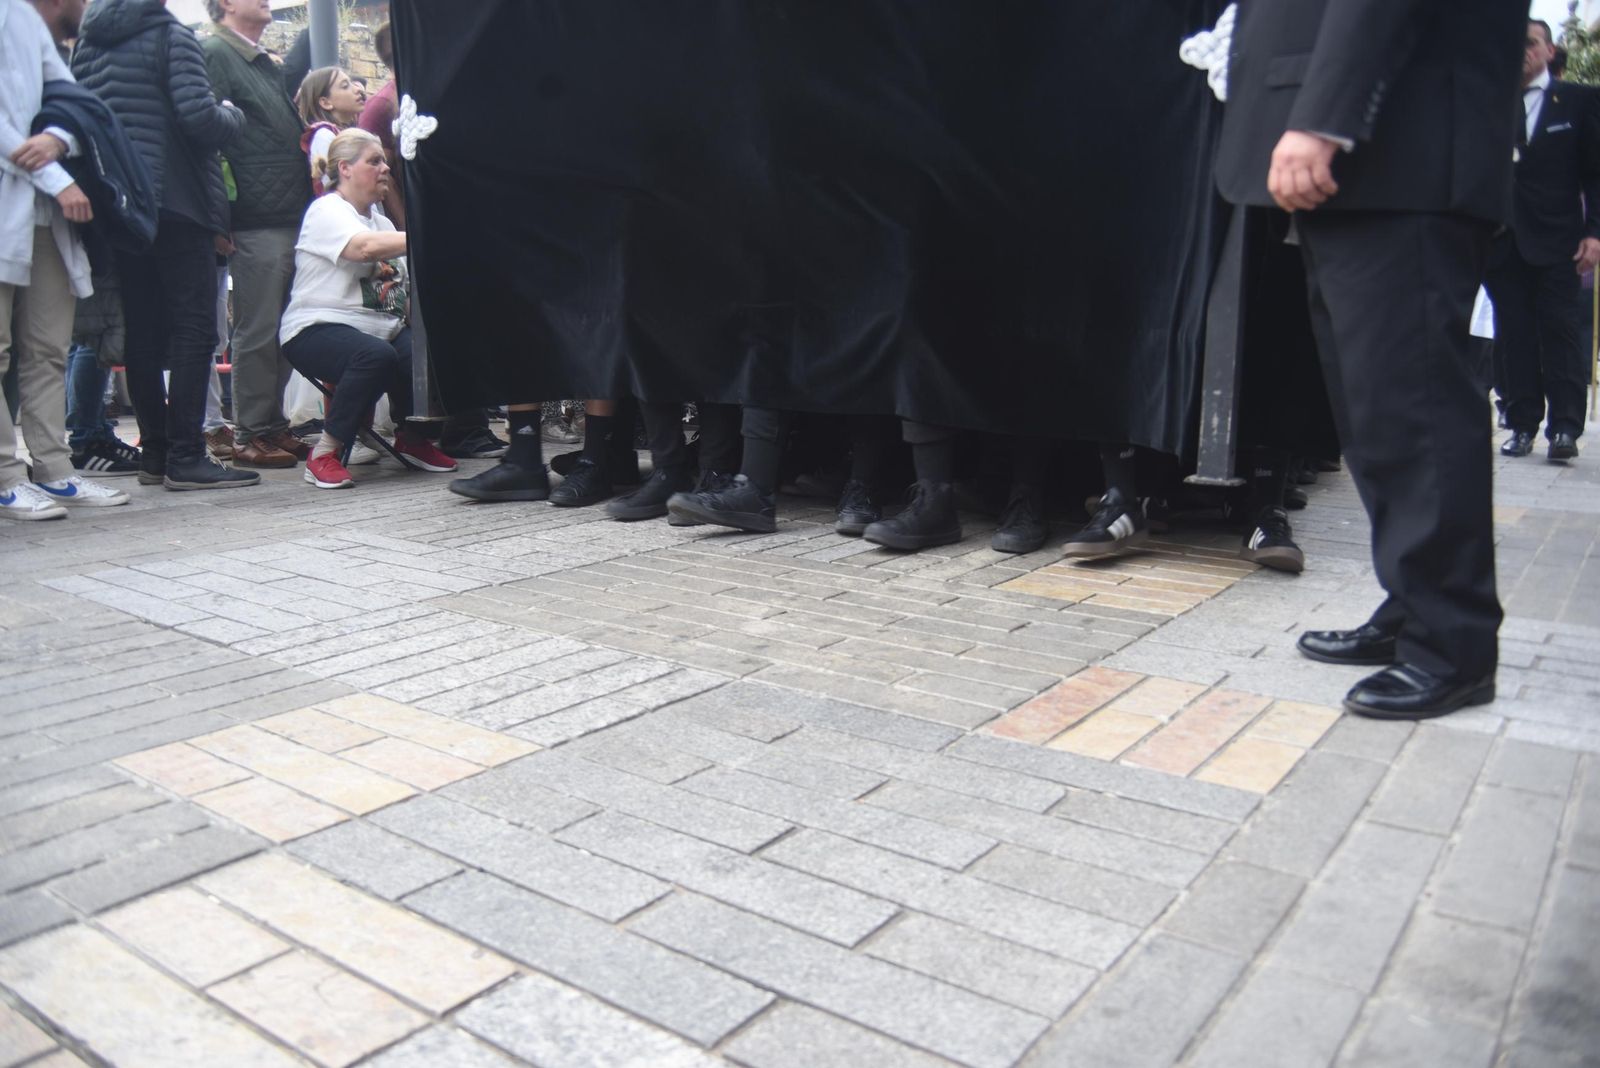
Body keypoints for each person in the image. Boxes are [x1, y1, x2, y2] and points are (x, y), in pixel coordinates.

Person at [1216, 0, 1522, 719]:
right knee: (1377, 418)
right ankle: (1418, 606)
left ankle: (1453, 645)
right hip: (1382, 155)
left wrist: (1325, 116)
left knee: (1412, 411)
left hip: (1396, 146)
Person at [72, 0, 257, 491]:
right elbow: (200, 118)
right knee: (195, 330)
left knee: (144, 332)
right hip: (178, 199)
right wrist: (232, 114)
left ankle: (154, 454)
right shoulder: (171, 35)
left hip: (121, 204)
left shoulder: (88, 43)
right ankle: (187, 456)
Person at [2, 0, 130, 518]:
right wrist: (57, 177)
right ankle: (8, 477)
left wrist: (58, 137)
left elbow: (76, 103)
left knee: (47, 348)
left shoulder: (30, 27)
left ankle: (55, 470)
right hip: (28, 202)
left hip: (41, 217)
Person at [278, 128, 456, 489]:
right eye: (374, 161)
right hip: (315, 328)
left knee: (428, 348)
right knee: (375, 355)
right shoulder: (327, 209)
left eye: (385, 163)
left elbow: (395, 286)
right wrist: (432, 235)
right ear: (344, 168)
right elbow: (362, 248)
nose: (384, 169)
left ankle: (413, 438)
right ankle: (325, 453)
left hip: (377, 331)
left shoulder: (382, 221)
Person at [202, 0, 313, 469]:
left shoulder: (258, 60)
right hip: (253, 216)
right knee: (258, 328)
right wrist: (217, 216)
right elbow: (205, 136)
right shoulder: (216, 53)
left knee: (282, 328)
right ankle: (250, 431)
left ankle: (270, 426)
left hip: (284, 211)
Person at [1484, 19, 1600, 463]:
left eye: (1532, 44)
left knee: (1560, 333)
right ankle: (1521, 423)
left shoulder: (1578, 101)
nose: (1524, 52)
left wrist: (1594, 234)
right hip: (1503, 242)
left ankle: (1565, 428)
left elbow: (1595, 173)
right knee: (1513, 336)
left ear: (1550, 51)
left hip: (1560, 243)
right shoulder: (1494, 103)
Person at [296, 65, 364, 195]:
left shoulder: (343, 132)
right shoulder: (324, 136)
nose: (357, 90)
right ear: (325, 102)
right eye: (345, 86)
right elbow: (338, 189)